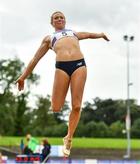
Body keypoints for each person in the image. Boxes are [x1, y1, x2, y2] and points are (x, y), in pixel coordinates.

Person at [16, 11, 110, 156]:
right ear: (52, 22)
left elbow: (89, 34)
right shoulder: (49, 38)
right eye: (56, 18)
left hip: (79, 65)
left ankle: (69, 137)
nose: (59, 19)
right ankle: (58, 111)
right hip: (62, 68)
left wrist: (101, 34)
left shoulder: (73, 33)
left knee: (77, 106)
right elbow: (35, 59)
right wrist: (23, 77)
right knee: (55, 107)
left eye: (61, 17)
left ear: (65, 21)